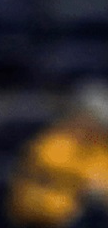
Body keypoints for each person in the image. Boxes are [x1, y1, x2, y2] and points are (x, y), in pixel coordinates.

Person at [7, 81, 108, 228]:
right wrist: (86, 182)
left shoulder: (101, 150)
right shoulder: (53, 142)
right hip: (41, 218)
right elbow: (49, 166)